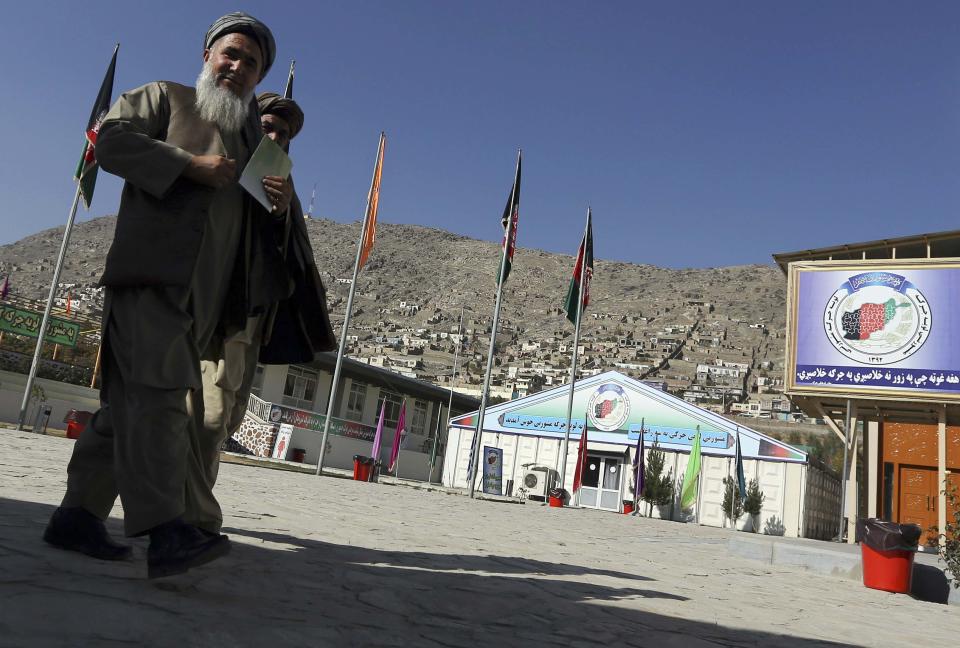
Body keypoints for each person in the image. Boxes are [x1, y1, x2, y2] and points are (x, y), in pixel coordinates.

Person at [43, 12, 291, 579]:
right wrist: (188, 165)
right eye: (230, 54)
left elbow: (261, 222)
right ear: (208, 55)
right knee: (158, 397)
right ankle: (166, 530)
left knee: (132, 401)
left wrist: (276, 205)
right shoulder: (165, 98)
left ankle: (77, 516)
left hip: (211, 298)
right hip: (153, 276)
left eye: (251, 63)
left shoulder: (256, 141)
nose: (238, 67)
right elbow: (109, 143)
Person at [185, 90, 335, 535]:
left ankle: (179, 507)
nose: (274, 136)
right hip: (211, 311)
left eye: (283, 134)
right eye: (267, 127)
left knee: (227, 419)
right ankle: (190, 520)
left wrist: (282, 213)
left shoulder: (280, 186)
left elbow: (288, 262)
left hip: (252, 322)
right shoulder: (219, 162)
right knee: (208, 419)